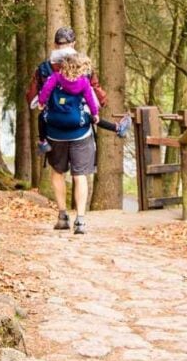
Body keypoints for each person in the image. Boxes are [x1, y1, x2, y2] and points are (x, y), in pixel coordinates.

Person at [26, 27, 130, 155]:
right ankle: (117, 128)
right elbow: (100, 99)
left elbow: (31, 99)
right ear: (73, 43)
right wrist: (96, 108)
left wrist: (43, 102)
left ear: (55, 44)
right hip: (79, 126)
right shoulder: (82, 67)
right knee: (91, 118)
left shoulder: (43, 69)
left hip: (53, 125)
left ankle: (43, 143)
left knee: (42, 118)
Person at [36, 52, 100, 234]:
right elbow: (91, 101)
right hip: (80, 133)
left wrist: (41, 103)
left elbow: (44, 94)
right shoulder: (84, 83)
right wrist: (95, 114)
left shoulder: (55, 78)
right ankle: (80, 220)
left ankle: (62, 216)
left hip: (55, 134)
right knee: (80, 175)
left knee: (57, 172)